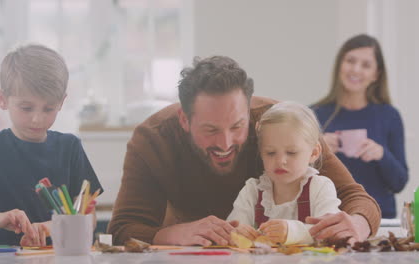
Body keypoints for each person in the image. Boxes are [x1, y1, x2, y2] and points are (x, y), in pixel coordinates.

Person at [107, 56, 380, 246]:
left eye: (237, 126)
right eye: (211, 130)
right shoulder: (153, 140)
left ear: (250, 114)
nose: (225, 143)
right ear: (184, 120)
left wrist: (357, 224)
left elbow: (357, 198)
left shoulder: (283, 126)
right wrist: (176, 232)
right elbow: (123, 229)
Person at [0, 44, 103, 246]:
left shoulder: (70, 147)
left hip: (61, 255)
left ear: (62, 102)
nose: (37, 119)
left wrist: (46, 228)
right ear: (2, 99)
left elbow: (88, 217)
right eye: (26, 108)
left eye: (49, 109)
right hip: (6, 258)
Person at [312, 34, 408, 218]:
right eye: (350, 61)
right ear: (340, 64)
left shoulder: (389, 116)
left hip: (380, 220)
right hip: (326, 218)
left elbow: (399, 183)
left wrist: (382, 155)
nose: (356, 69)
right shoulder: (313, 115)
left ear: (376, 74)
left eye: (366, 65)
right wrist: (317, 152)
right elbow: (295, 179)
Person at [227, 101, 341, 245]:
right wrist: (236, 233)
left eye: (291, 152)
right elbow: (232, 228)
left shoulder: (320, 187)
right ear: (261, 153)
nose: (280, 161)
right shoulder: (252, 191)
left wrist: (293, 232)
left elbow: (330, 232)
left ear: (314, 152)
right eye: (270, 153)